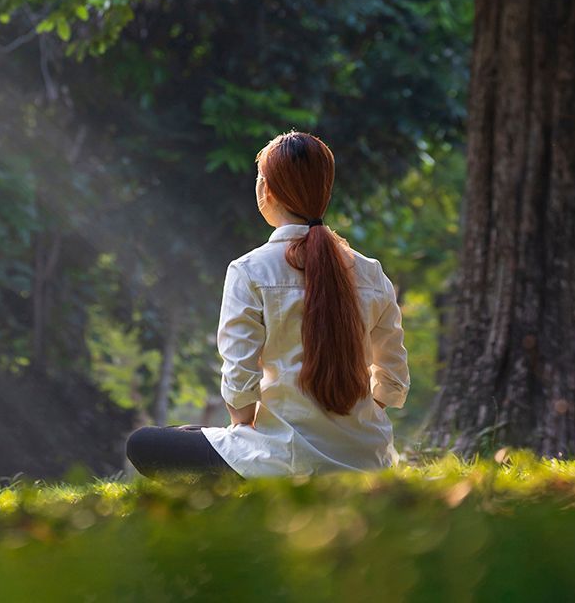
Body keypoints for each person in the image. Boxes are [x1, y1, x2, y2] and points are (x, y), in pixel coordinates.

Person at [124, 131, 410, 478]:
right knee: (191, 436)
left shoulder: (249, 271)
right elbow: (393, 382)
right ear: (325, 191)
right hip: (367, 460)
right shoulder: (371, 272)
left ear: (266, 191)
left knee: (146, 443)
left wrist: (246, 425)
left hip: (280, 461)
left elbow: (240, 391)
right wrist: (349, 424)